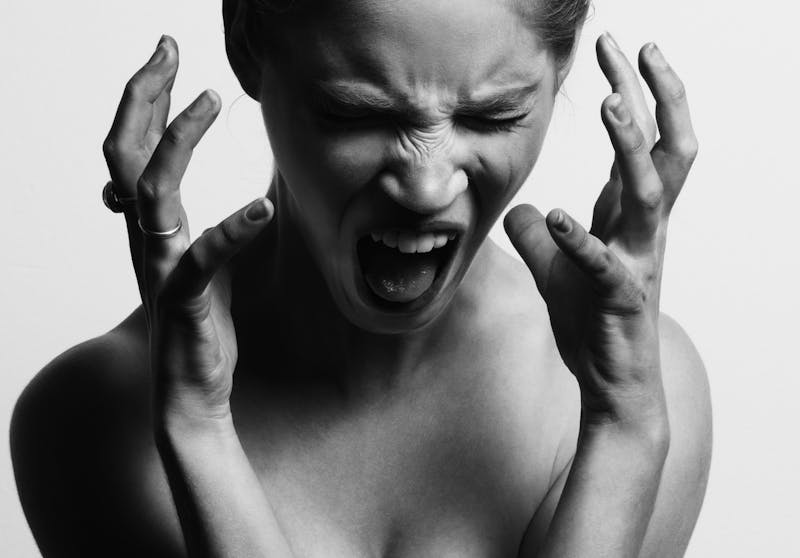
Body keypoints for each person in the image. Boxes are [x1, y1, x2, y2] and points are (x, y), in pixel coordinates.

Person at [10, 0, 712, 556]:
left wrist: (623, 425)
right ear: (248, 48)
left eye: (492, 114)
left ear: (561, 73)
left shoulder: (639, 393)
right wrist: (197, 429)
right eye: (357, 113)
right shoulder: (92, 420)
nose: (427, 186)